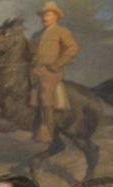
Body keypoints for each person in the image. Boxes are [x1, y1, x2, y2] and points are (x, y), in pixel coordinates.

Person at [30, 1, 78, 143]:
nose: (45, 18)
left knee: (45, 95)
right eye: (44, 15)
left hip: (51, 71)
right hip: (34, 70)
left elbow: (72, 48)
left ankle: (48, 131)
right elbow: (30, 53)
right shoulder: (36, 35)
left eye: (49, 15)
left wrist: (58, 64)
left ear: (56, 16)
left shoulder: (62, 31)